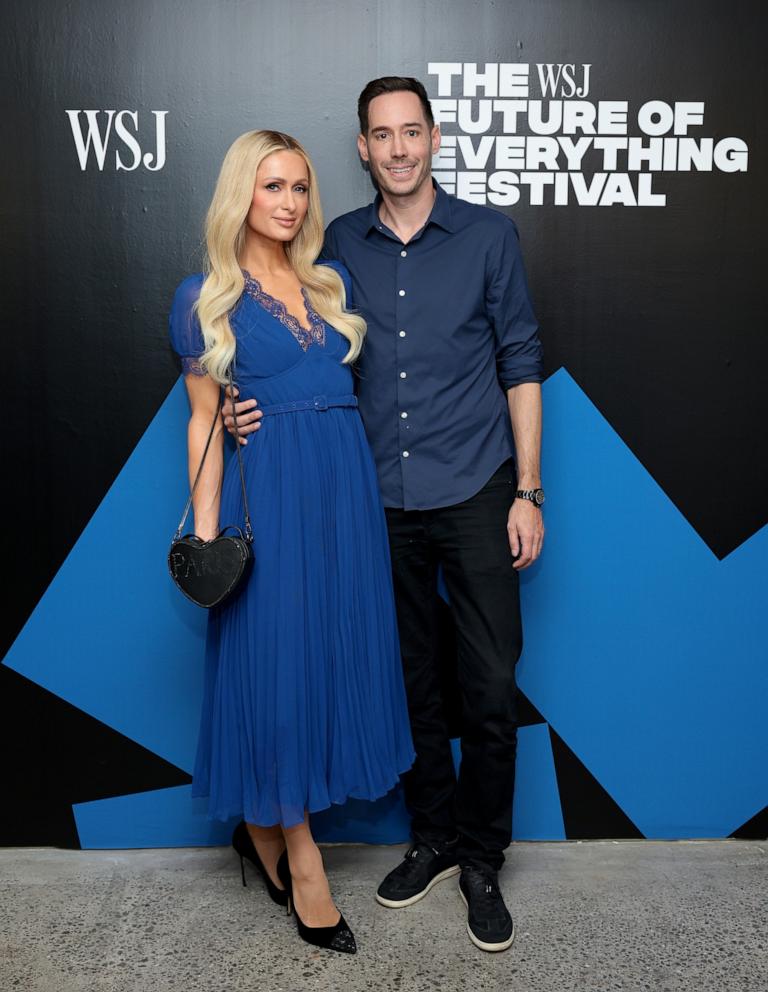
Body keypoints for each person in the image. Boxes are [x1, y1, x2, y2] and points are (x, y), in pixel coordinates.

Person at [226, 78, 544, 954]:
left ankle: (482, 858)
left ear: (434, 139)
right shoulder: (332, 252)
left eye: (413, 131)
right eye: (381, 135)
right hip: (375, 501)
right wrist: (230, 406)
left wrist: (528, 489)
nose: (399, 148)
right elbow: (286, 348)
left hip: (478, 487)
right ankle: (435, 837)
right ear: (362, 149)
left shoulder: (488, 236)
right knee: (413, 688)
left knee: (487, 685)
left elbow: (521, 360)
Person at [168, 128, 415, 956]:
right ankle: (300, 857)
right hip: (267, 499)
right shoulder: (204, 295)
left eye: (300, 188)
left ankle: (263, 831)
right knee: (276, 669)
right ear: (241, 192)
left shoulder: (329, 280)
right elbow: (206, 423)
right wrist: (206, 545)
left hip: (343, 500)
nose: (289, 203)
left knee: (325, 663)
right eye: (273, 186)